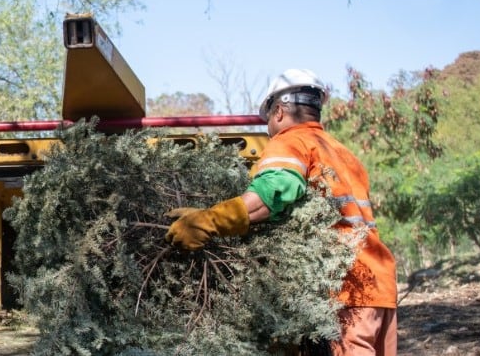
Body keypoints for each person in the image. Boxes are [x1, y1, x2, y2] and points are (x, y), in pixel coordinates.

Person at [165, 69, 398, 356]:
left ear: (278, 112)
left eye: (268, 123)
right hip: (379, 284)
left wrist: (208, 222)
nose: (268, 131)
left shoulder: (291, 140)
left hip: (342, 288)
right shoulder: (343, 153)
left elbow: (274, 192)